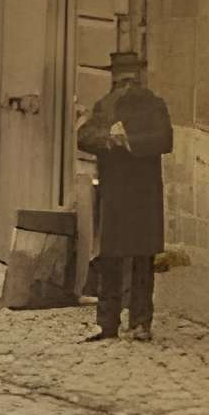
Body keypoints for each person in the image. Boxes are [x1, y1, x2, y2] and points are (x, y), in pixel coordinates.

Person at [75, 47, 172, 342]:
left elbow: (165, 139)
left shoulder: (154, 106)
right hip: (115, 193)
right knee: (111, 258)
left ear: (138, 77)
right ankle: (108, 323)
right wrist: (108, 140)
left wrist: (130, 143)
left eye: (129, 78)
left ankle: (141, 322)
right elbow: (83, 137)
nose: (126, 84)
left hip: (143, 193)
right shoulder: (104, 106)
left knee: (142, 259)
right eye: (121, 79)